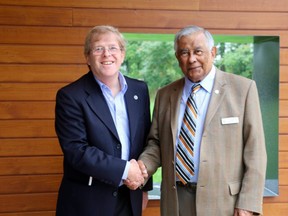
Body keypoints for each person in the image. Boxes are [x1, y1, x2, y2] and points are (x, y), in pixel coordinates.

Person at [138, 25, 267, 216]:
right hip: (176, 201)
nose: (192, 59)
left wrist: (248, 203)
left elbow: (255, 150)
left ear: (213, 52)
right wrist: (142, 168)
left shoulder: (243, 89)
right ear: (177, 57)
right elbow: (156, 143)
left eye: (198, 51)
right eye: (184, 52)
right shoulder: (165, 95)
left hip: (225, 203)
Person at [55, 25, 152, 216]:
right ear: (87, 57)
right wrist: (125, 170)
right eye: (98, 49)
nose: (107, 54)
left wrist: (143, 186)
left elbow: (144, 141)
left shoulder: (139, 90)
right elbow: (77, 151)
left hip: (130, 197)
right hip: (88, 201)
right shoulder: (71, 96)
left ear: (122, 54)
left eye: (113, 48)